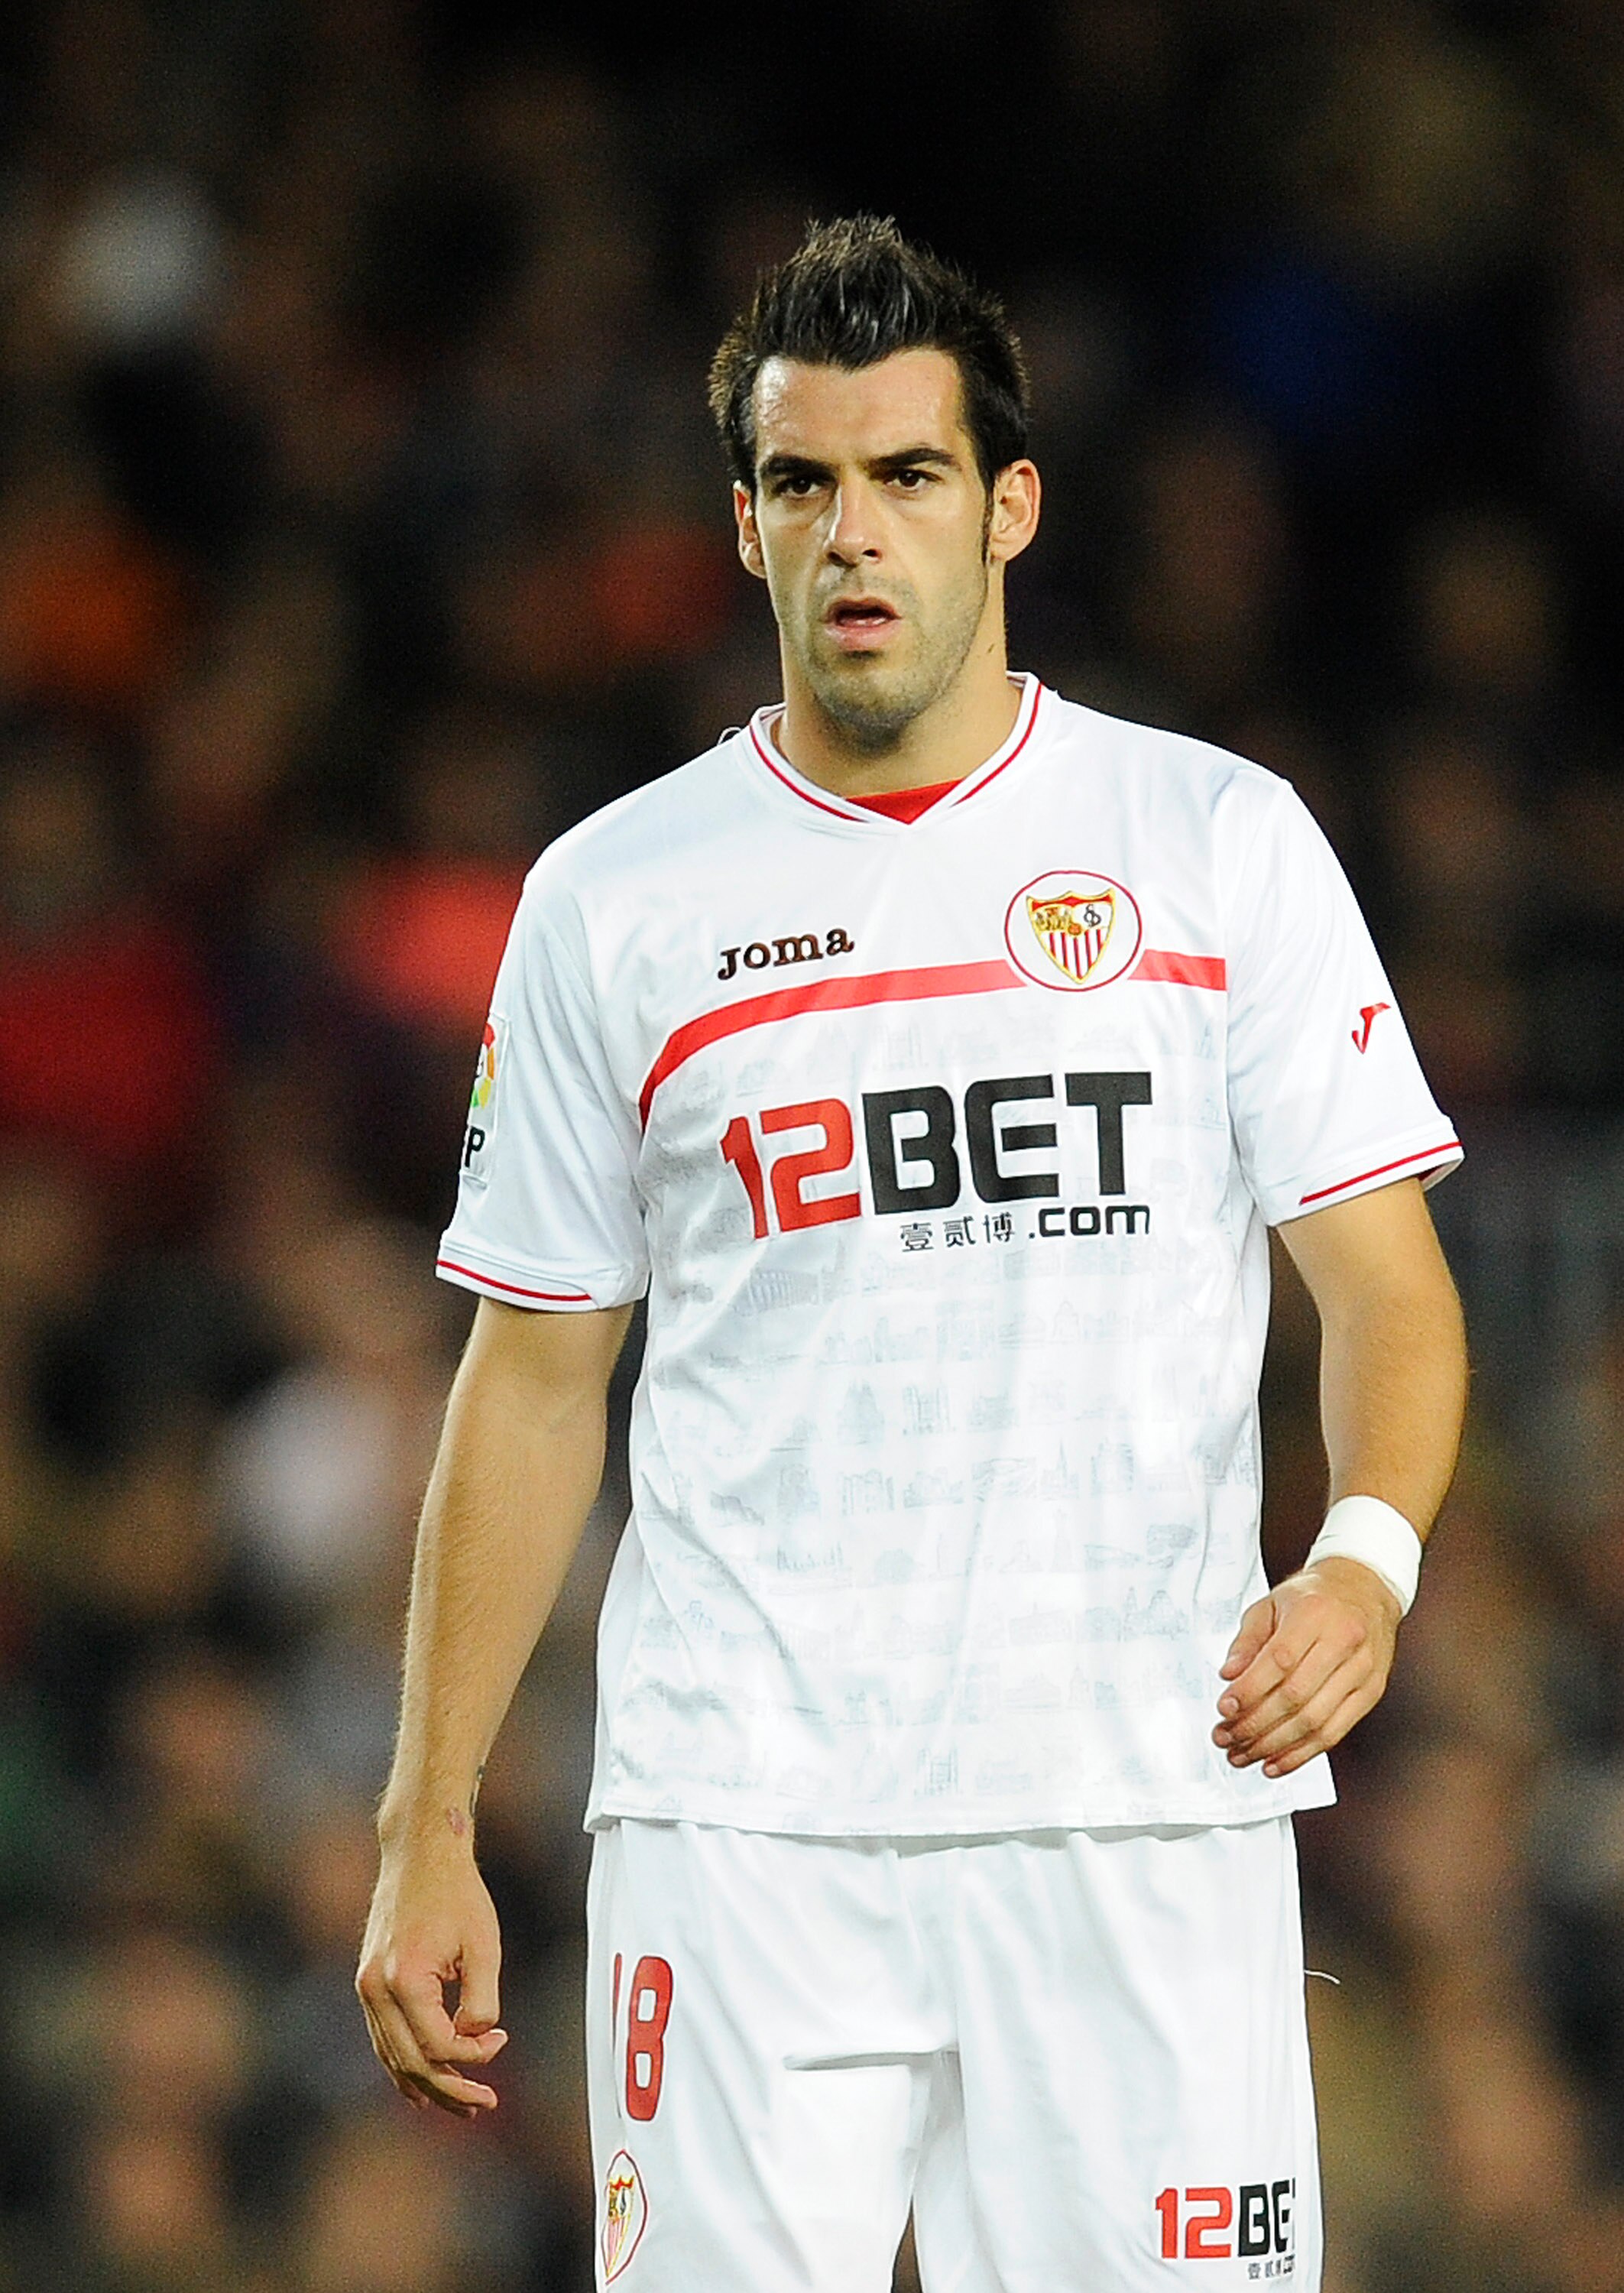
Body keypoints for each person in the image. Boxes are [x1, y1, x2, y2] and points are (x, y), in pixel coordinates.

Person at [357, 216, 1468, 2291]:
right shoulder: (617, 902)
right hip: (740, 1823)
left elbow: (1387, 1280)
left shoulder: (1211, 843)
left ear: (1011, 504)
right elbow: (529, 1380)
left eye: (910, 474)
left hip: (1136, 1801)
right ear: (748, 529)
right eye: (805, 483)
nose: (857, 531)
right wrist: (429, 1820)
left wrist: (1367, 1558)